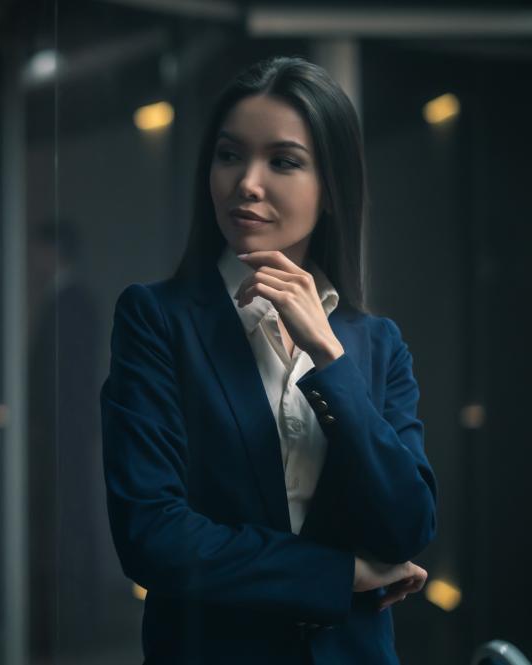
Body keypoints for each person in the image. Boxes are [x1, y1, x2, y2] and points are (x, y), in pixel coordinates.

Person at [100, 56, 436, 664]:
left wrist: (328, 357)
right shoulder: (157, 319)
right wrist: (340, 575)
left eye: (282, 161)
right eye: (230, 155)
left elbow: (409, 527)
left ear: (330, 189)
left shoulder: (376, 344)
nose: (246, 182)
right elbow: (153, 536)